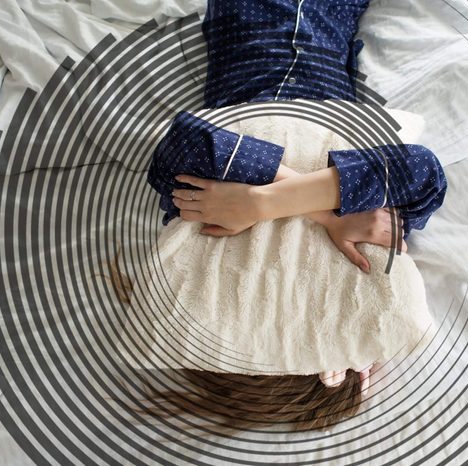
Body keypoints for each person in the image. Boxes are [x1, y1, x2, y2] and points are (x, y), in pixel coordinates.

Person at [137, 0, 448, 432]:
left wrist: (262, 202)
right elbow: (422, 169)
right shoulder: (369, 239)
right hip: (327, 46)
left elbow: (185, 141)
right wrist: (295, 209)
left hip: (248, 29)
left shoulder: (206, 222)